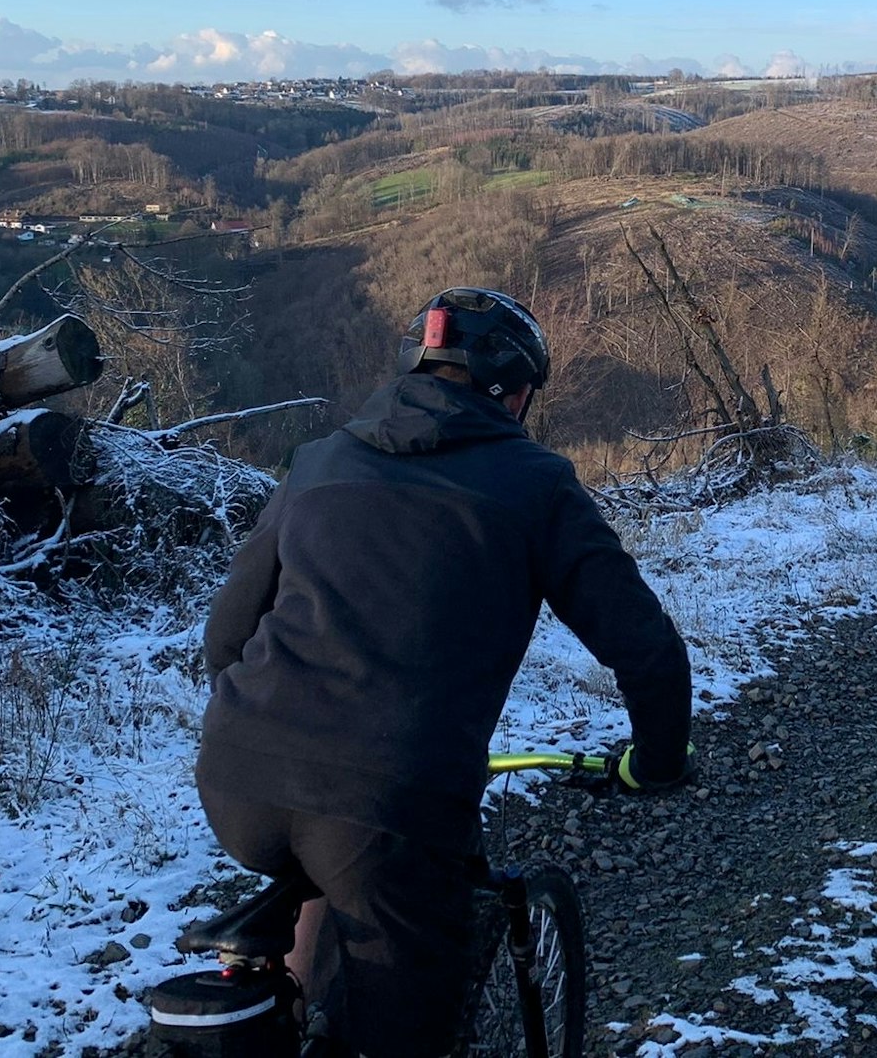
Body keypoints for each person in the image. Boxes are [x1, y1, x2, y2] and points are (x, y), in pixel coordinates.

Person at [194, 287, 695, 1057]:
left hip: (234, 774)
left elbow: (225, 638)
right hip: (390, 797)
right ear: (515, 393)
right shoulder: (535, 483)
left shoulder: (317, 463)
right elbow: (646, 648)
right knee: (406, 1024)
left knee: (332, 873)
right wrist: (656, 758)